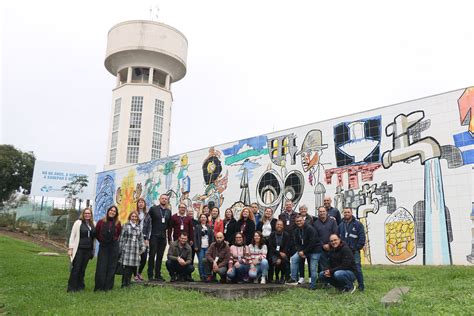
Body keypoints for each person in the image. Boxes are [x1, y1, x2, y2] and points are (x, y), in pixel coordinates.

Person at [287, 215, 321, 290]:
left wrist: (304, 252)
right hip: (303, 250)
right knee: (294, 258)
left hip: (314, 250)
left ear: (304, 220)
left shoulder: (310, 229)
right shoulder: (296, 231)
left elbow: (313, 242)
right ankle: (294, 278)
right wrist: (300, 251)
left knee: (313, 268)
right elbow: (297, 243)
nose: (299, 222)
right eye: (297, 221)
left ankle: (313, 286)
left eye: (300, 221)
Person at [143, 194, 171, 282]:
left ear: (167, 201)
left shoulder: (168, 211)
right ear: (159, 199)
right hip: (154, 236)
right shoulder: (153, 209)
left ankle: (158, 275)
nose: (164, 200)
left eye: (166, 199)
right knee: (152, 255)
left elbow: (168, 225)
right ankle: (150, 275)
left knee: (160, 256)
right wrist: (145, 236)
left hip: (163, 237)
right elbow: (146, 221)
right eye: (162, 198)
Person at [67, 207, 95, 292]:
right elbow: (72, 236)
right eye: (86, 213)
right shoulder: (78, 223)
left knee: (83, 269)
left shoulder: (93, 224)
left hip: (88, 250)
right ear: (83, 214)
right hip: (79, 249)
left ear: (91, 215)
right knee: (76, 268)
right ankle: (72, 287)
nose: (87, 215)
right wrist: (70, 248)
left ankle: (80, 286)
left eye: (89, 213)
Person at [94, 205, 122, 291]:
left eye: (114, 211)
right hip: (103, 247)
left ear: (116, 213)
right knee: (101, 266)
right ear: (108, 211)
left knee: (111, 266)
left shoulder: (118, 223)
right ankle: (99, 287)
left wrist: (113, 240)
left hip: (113, 247)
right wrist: (102, 240)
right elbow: (97, 233)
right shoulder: (101, 222)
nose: (112, 212)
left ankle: (108, 287)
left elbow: (118, 234)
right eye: (111, 210)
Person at [339, 207, 366, 291]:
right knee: (345, 268)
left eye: (348, 212)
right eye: (345, 212)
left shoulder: (358, 224)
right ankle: (347, 285)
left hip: (354, 252)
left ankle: (361, 286)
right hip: (344, 252)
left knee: (357, 268)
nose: (346, 214)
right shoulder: (341, 225)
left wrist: (355, 248)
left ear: (351, 213)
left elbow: (362, 238)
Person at [119, 211, 146, 288]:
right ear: (130, 217)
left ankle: (128, 283)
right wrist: (122, 248)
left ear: (137, 218)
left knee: (132, 268)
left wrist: (143, 247)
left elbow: (140, 239)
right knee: (126, 267)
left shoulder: (138, 227)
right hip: (127, 249)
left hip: (135, 250)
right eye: (132, 216)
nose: (134, 218)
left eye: (135, 217)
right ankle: (124, 284)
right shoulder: (125, 226)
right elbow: (122, 238)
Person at [313, 206, 338, 271]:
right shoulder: (315, 224)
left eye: (323, 211)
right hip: (321, 248)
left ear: (326, 212)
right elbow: (316, 236)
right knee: (322, 265)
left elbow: (335, 233)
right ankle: (323, 279)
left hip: (332, 246)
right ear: (318, 213)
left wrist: (329, 244)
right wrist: (323, 245)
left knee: (333, 264)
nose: (322, 213)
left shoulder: (333, 221)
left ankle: (332, 279)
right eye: (320, 212)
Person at [297, 204, 315, 284]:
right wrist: (300, 251)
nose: (303, 210)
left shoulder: (311, 218)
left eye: (304, 209)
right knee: (301, 261)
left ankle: (311, 277)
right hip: (301, 244)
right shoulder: (296, 217)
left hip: (309, 244)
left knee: (310, 261)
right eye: (301, 209)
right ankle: (301, 277)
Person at [194, 213, 214, 281]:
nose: (203, 218)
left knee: (206, 261)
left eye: (204, 217)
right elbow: (195, 237)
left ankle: (207, 275)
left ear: (206, 219)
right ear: (200, 219)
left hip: (208, 247)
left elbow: (212, 237)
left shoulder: (209, 227)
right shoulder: (197, 227)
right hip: (200, 247)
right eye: (202, 217)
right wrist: (196, 245)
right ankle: (202, 275)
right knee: (201, 261)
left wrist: (212, 246)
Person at [133, 198, 149, 282]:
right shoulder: (134, 213)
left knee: (144, 257)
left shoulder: (147, 215)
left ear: (144, 204)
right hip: (135, 238)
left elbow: (149, 227)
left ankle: (139, 272)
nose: (141, 204)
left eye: (142, 202)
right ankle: (135, 274)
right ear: (137, 204)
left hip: (144, 238)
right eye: (139, 202)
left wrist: (147, 239)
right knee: (135, 257)